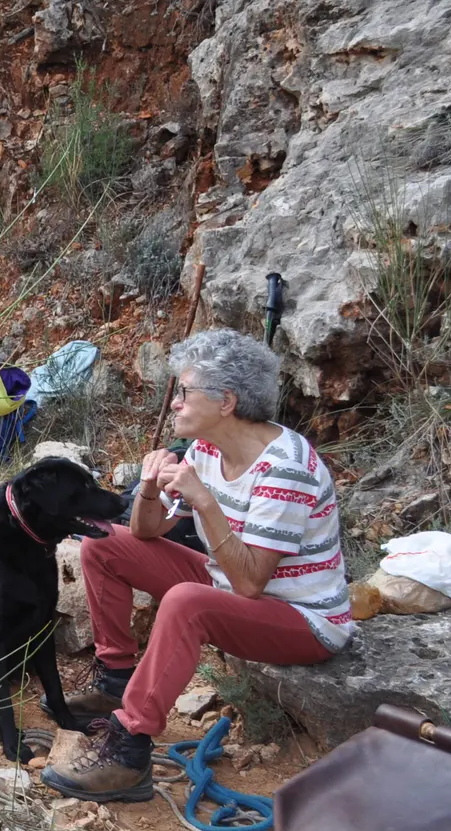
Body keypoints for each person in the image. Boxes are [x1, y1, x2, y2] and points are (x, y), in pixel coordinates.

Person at [42, 328, 352, 802]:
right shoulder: (208, 450)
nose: (175, 404)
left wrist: (205, 501)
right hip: (227, 584)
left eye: (185, 393)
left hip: (302, 619)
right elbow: (146, 533)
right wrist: (149, 485)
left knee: (188, 602)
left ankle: (129, 752)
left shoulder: (285, 468)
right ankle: (116, 682)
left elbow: (250, 584)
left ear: (226, 401)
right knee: (104, 545)